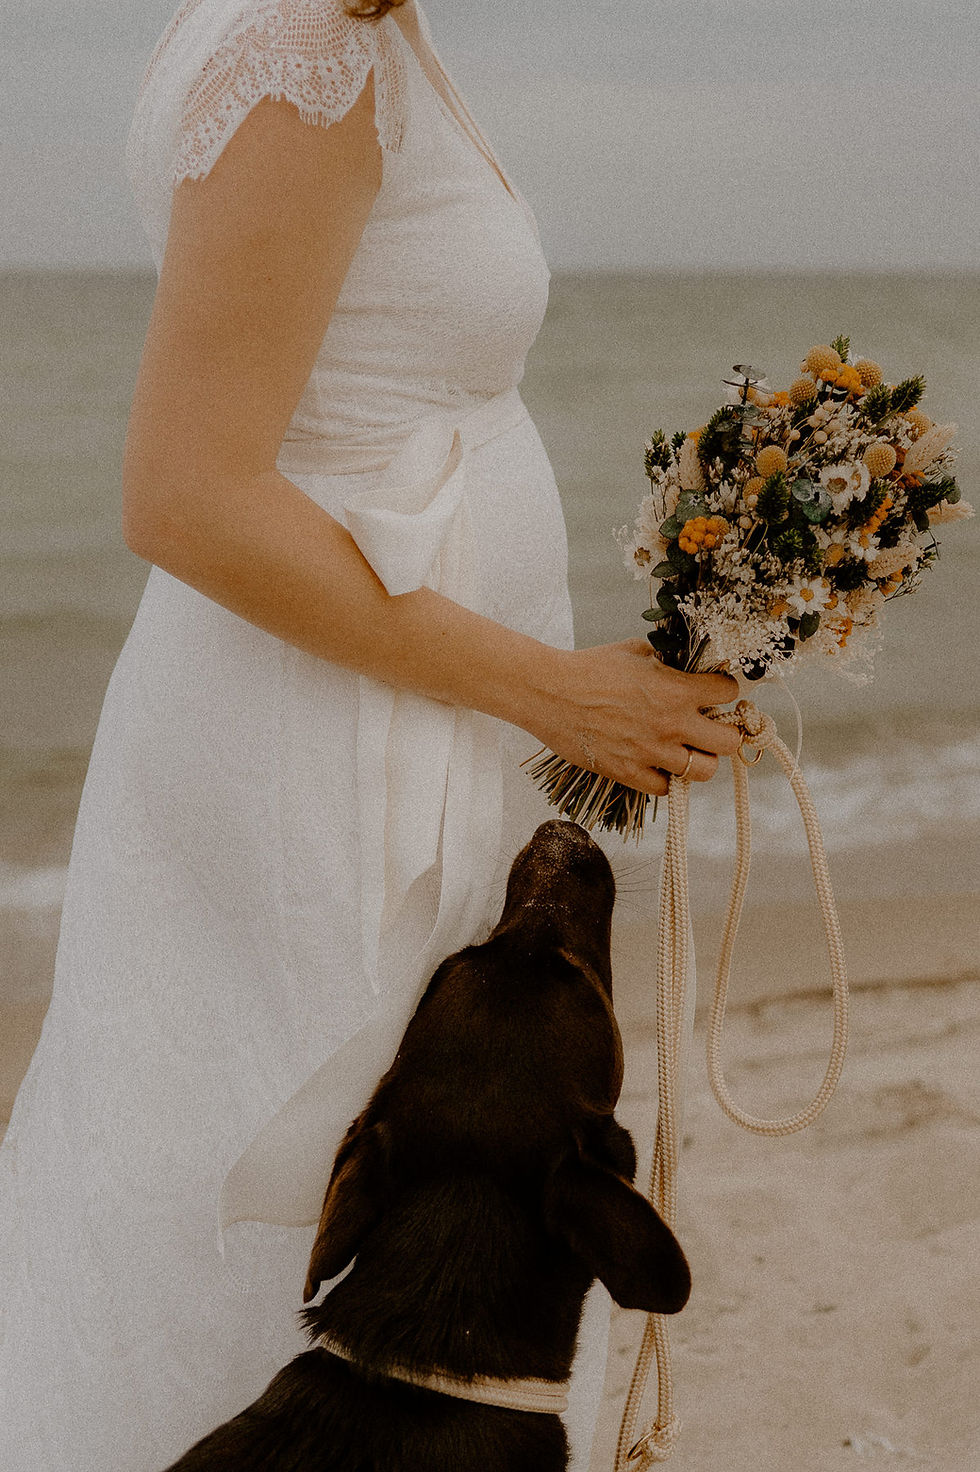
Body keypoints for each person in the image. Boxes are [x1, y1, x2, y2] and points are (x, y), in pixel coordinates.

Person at [0, 0, 739, 1465]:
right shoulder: (309, 61)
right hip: (339, 754)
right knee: (285, 1185)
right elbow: (185, 495)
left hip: (386, 704)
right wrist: (551, 691)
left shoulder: (346, 31)